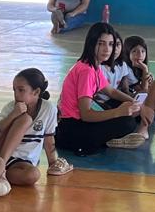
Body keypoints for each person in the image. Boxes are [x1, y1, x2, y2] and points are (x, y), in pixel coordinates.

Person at [55, 23, 147, 155]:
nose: (107, 49)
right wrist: (119, 112)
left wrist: (136, 103)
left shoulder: (94, 66)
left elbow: (112, 91)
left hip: (78, 123)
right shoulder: (86, 71)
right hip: (73, 129)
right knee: (127, 122)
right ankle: (105, 140)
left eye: (110, 44)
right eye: (101, 43)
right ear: (91, 43)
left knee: (122, 107)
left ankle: (109, 139)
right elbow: (86, 115)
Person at [0, 69, 69, 186]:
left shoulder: (49, 109)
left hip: (21, 162)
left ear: (36, 92)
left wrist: (53, 163)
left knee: (33, 174)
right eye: (14, 90)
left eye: (21, 90)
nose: (16, 94)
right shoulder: (11, 108)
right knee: (25, 119)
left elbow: (49, 139)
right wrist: (13, 115)